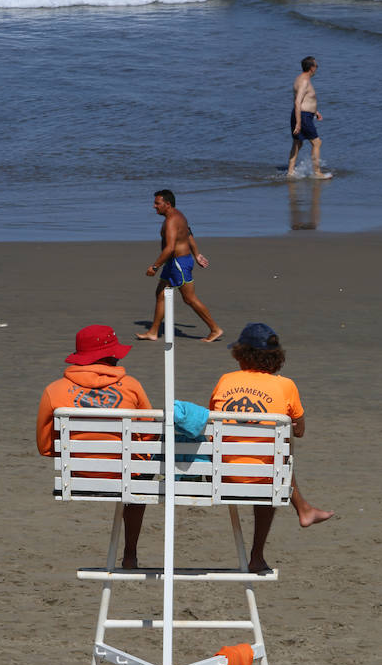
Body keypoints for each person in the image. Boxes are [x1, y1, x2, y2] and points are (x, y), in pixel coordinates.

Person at [210, 322, 334, 573]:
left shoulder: (225, 380)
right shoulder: (286, 385)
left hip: (221, 475)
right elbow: (299, 430)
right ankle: (258, 554)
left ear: (241, 355)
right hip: (263, 480)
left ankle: (305, 510)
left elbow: (213, 422)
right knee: (278, 454)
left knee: (268, 457)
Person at [36, 324, 151, 569]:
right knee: (142, 473)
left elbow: (45, 446)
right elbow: (149, 434)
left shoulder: (54, 390)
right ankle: (130, 552)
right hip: (125, 472)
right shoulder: (131, 385)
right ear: (112, 355)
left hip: (78, 475)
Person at [136, 189, 223, 343]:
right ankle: (153, 332)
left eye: (157, 203)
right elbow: (189, 235)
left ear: (167, 204)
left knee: (189, 299)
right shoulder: (178, 215)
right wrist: (197, 254)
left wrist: (155, 267)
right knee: (160, 293)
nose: (154, 206)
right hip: (174, 263)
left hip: (179, 264)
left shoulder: (171, 221)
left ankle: (215, 329)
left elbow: (169, 248)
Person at [287, 56, 332, 180]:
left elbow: (304, 99)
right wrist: (299, 122)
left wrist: (315, 111)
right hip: (303, 116)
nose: (317, 68)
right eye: (316, 66)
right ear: (311, 68)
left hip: (303, 114)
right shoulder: (305, 81)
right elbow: (297, 102)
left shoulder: (299, 79)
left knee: (297, 143)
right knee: (317, 142)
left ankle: (290, 171)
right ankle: (317, 172)